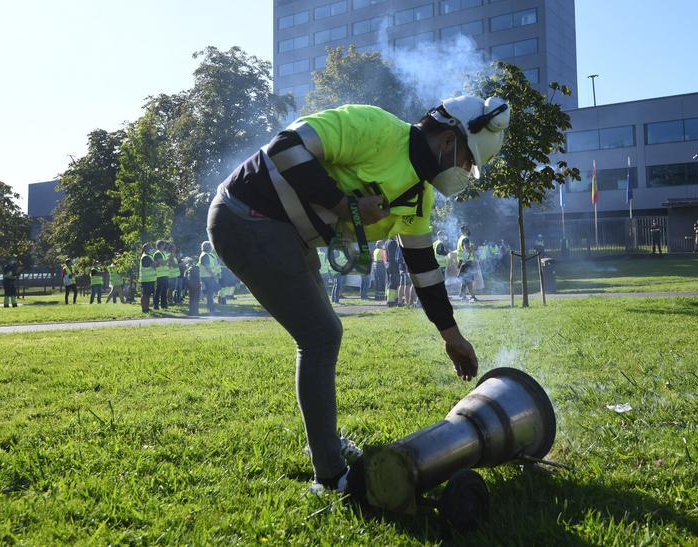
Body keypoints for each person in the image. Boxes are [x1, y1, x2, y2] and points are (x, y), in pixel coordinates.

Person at [208, 96, 505, 497]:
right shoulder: (375, 127)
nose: (468, 172)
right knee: (321, 335)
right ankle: (330, 478)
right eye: (469, 160)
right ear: (448, 140)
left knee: (322, 335)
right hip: (245, 213)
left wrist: (450, 335)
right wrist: (342, 205)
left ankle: (324, 445)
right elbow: (284, 147)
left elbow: (423, 269)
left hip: (286, 233)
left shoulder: (421, 195)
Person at [197, 241, 222, 313]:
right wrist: (214, 275)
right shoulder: (205, 255)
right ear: (208, 247)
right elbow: (207, 267)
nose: (212, 248)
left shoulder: (208, 255)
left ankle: (211, 308)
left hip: (209, 276)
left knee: (211, 293)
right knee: (210, 293)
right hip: (207, 277)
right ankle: (211, 309)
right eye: (211, 246)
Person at [457, 226, 477, 301]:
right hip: (466, 262)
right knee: (469, 280)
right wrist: (473, 248)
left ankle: (462, 296)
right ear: (465, 230)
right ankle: (472, 296)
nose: (469, 230)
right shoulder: (465, 239)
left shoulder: (460, 238)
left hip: (462, 262)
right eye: (467, 229)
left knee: (464, 280)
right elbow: (467, 250)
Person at [137, 243, 155, 314]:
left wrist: (155, 263)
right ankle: (144, 309)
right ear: (145, 249)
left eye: (151, 248)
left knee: (148, 294)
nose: (151, 249)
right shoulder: (145, 257)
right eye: (149, 248)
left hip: (149, 279)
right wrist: (155, 263)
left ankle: (147, 307)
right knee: (145, 294)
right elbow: (154, 265)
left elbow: (155, 264)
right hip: (146, 279)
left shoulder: (149, 256)